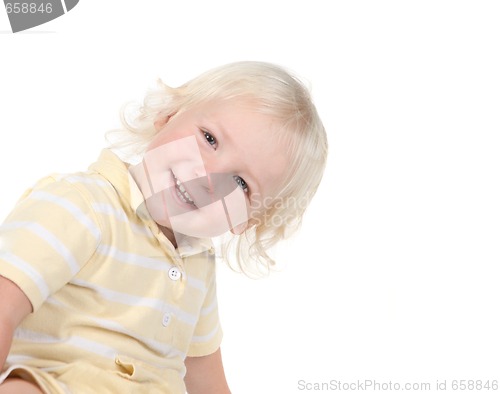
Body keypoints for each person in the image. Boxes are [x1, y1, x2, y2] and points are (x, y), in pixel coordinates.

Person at [0, 61, 328, 393]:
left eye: (241, 182)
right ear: (167, 115)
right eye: (210, 139)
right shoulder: (83, 204)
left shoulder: (198, 263)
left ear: (249, 219)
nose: (207, 177)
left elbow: (206, 378)